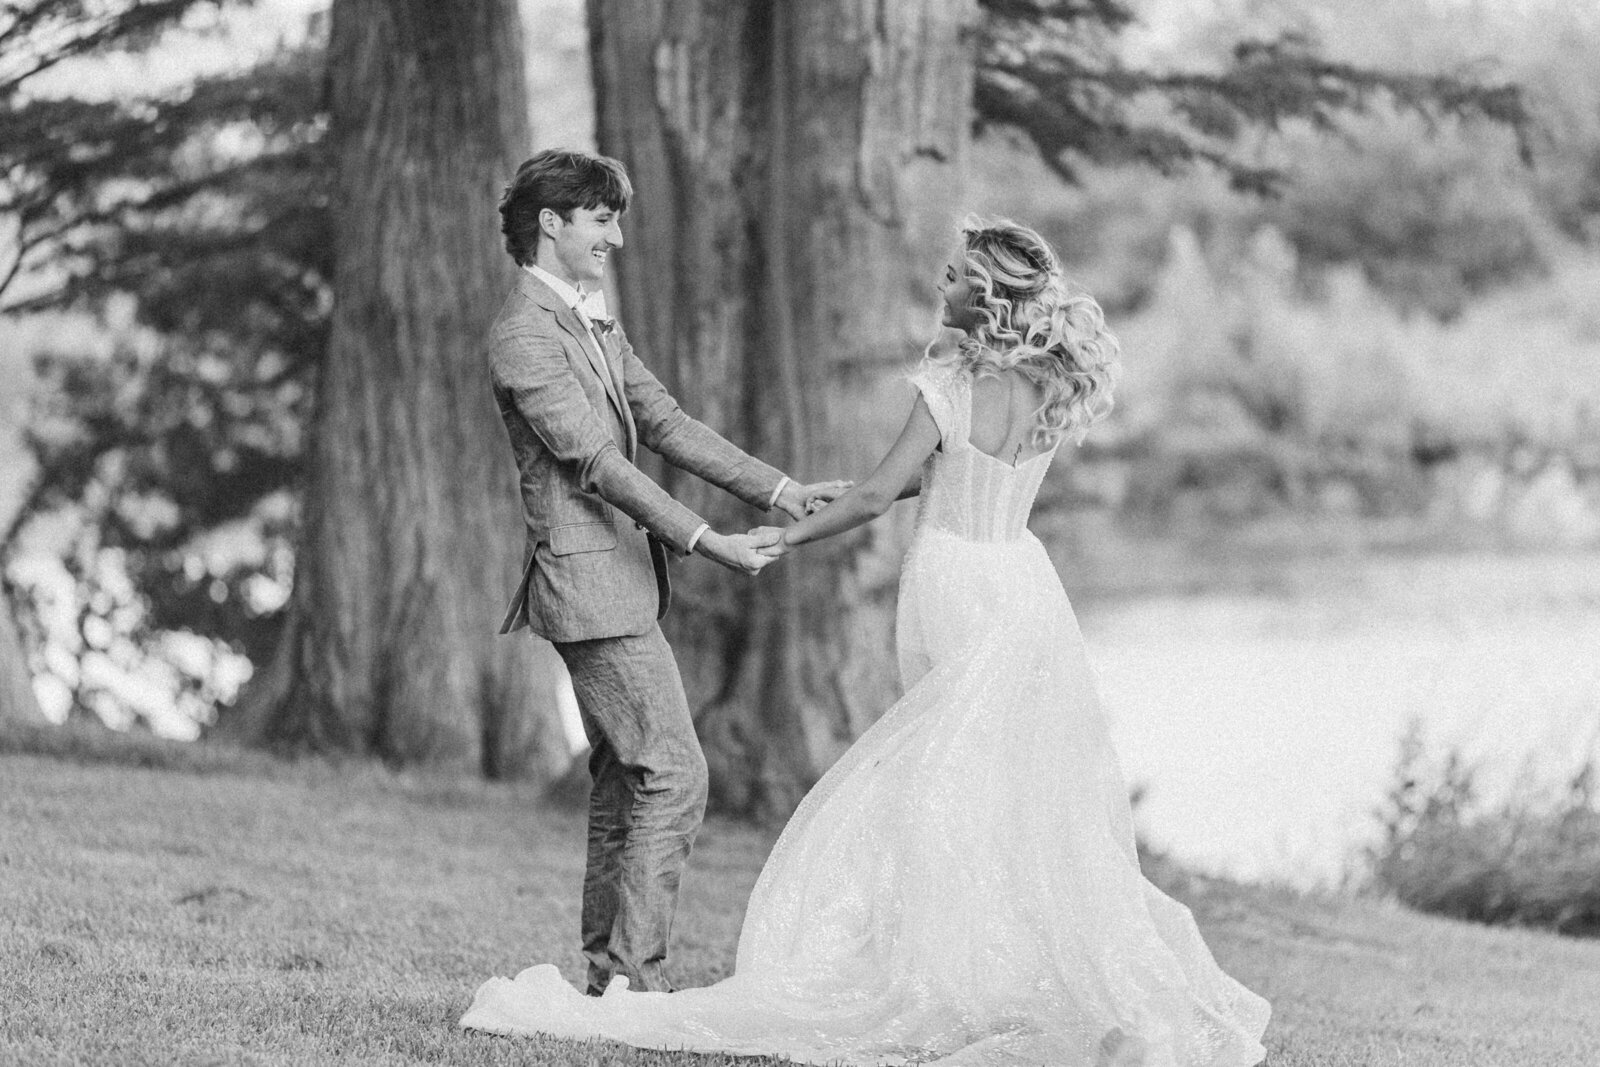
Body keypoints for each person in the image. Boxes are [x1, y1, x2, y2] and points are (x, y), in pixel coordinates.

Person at [463, 217, 1271, 1066]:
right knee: (1018, 789)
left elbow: (882, 493)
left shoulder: (950, 381)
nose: (942, 285)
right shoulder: (1052, 381)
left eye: (956, 276)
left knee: (932, 780)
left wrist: (786, 535)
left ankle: (934, 967)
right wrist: (826, 492)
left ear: (986, 297)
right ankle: (1033, 975)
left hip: (951, 583)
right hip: (1021, 587)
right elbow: (956, 475)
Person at [487, 148, 848, 998]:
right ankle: (635, 982)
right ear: (551, 222)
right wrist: (706, 539)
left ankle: (608, 978)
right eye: (601, 219)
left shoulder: (588, 318)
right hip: (586, 589)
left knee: (625, 778)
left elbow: (667, 422)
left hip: (620, 583)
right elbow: (597, 463)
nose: (616, 237)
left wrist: (782, 490)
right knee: (677, 774)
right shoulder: (523, 334)